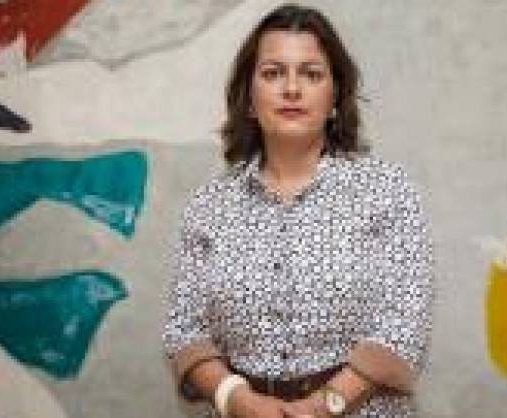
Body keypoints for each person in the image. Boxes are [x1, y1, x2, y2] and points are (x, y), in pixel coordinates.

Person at [162, 3, 435, 417]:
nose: (292, 89)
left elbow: (404, 322)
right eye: (273, 73)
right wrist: (237, 400)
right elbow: (185, 331)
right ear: (249, 98)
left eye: (311, 74)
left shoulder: (387, 190)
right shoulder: (208, 206)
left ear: (335, 97)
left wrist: (326, 406)